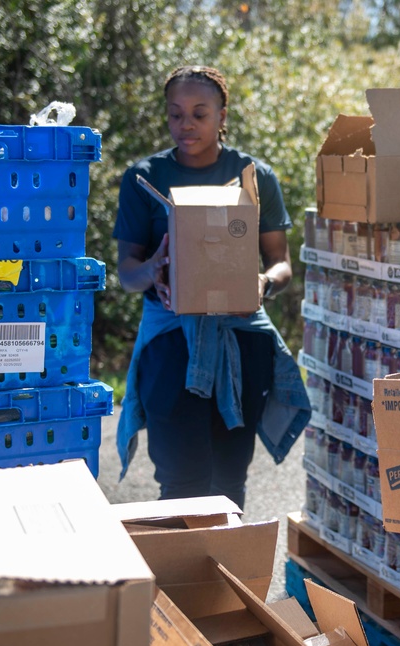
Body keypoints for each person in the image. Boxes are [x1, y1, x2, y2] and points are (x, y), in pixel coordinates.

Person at [113, 65, 310, 509]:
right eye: (175, 114)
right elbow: (127, 271)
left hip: (241, 339)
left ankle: (229, 574)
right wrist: (155, 270)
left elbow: (280, 263)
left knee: (228, 479)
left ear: (223, 115)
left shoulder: (254, 176)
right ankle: (183, 575)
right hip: (169, 342)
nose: (186, 125)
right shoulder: (144, 178)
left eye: (199, 114)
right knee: (179, 480)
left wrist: (261, 285)